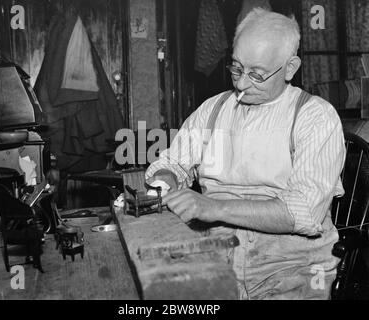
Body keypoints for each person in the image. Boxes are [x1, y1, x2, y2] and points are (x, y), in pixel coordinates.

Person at [145, 8, 346, 300]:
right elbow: (172, 163)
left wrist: (212, 208)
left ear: (290, 68)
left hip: (295, 268)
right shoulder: (213, 109)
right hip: (218, 256)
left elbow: (305, 212)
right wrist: (166, 180)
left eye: (257, 74)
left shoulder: (315, 117)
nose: (241, 83)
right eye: (237, 68)